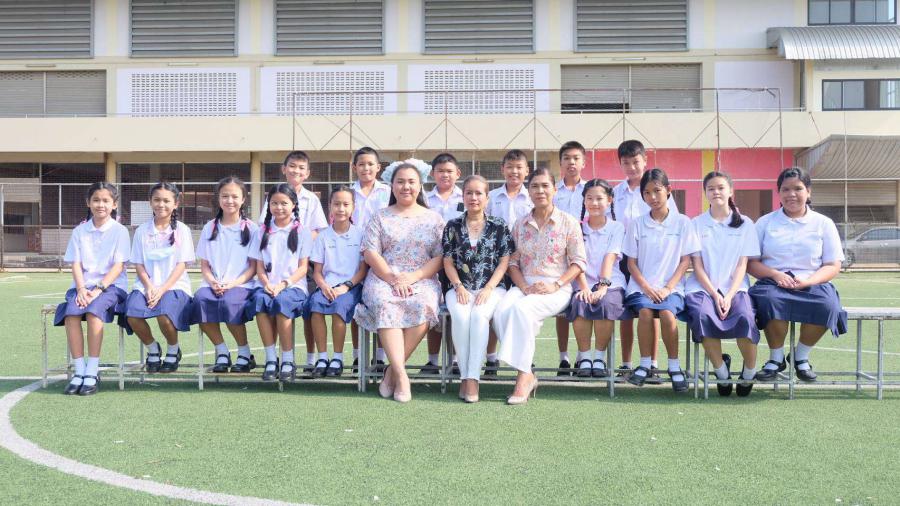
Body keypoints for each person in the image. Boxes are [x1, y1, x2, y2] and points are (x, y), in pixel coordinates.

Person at [493, 168, 587, 405]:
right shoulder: (520, 224)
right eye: (535, 186)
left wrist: (556, 284)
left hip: (557, 286)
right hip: (525, 285)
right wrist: (524, 287)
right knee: (501, 311)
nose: (540, 191)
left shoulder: (568, 222)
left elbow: (578, 262)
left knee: (522, 310)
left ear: (554, 189)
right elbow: (512, 263)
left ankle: (523, 378)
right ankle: (527, 371)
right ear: (529, 191)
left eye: (545, 186)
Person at [355, 161, 444, 403]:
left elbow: (440, 257)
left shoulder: (433, 219)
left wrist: (413, 277)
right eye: (400, 182)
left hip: (421, 278)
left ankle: (391, 372)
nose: (406, 187)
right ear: (392, 186)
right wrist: (392, 278)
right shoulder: (380, 217)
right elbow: (370, 252)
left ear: (420, 185)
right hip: (384, 278)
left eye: (411, 182)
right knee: (386, 304)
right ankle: (402, 376)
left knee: (424, 304)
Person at [748, 167, 847, 382]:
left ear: (808, 191)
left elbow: (832, 264)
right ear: (779, 193)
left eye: (798, 189)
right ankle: (776, 358)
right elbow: (751, 263)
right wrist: (775, 275)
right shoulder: (765, 223)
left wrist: (808, 281)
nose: (791, 194)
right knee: (769, 300)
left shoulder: (823, 223)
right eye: (785, 189)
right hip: (772, 283)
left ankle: (800, 356)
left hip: (812, 282)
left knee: (828, 304)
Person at [623, 168, 700, 392]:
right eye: (647, 193)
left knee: (667, 313)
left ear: (668, 190)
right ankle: (645, 364)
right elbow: (631, 263)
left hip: (671, 288)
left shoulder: (683, 222)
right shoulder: (637, 224)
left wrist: (668, 288)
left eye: (657, 191)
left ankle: (674, 367)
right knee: (646, 313)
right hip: (641, 287)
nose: (652, 197)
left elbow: (685, 261)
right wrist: (647, 288)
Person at [684, 172, 760, 397]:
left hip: (736, 288)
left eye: (720, 188)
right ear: (705, 193)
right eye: (711, 188)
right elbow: (697, 266)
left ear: (730, 191)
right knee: (702, 316)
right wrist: (715, 295)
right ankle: (721, 373)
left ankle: (749, 372)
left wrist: (728, 295)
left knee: (745, 317)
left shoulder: (745, 224)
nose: (716, 192)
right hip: (702, 288)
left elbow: (742, 265)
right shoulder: (696, 224)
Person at [443, 175, 514, 402]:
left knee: (478, 316)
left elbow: (504, 261)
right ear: (463, 196)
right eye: (469, 193)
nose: (473, 197)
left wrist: (489, 288)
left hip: (492, 288)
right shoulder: (452, 226)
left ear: (487, 197)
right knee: (461, 317)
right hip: (459, 287)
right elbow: (447, 261)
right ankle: (465, 377)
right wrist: (458, 286)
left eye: (478, 193)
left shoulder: (498, 226)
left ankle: (472, 379)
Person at [55, 182, 130, 395]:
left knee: (93, 312)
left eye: (106, 200)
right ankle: (79, 370)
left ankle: (92, 370)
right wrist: (80, 289)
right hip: (83, 287)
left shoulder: (120, 231)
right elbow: (76, 264)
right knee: (71, 314)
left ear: (114, 204)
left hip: (111, 287)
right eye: (96, 200)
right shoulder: (79, 231)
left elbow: (119, 266)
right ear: (88, 203)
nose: (100, 205)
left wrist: (98, 289)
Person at [612, 140, 679, 381]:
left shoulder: (658, 188)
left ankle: (652, 363)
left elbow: (671, 225)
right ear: (620, 164)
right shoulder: (615, 193)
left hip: (652, 260)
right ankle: (627, 363)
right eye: (626, 163)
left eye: (636, 162)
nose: (631, 167)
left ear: (645, 160)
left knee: (653, 308)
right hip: (623, 258)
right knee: (628, 312)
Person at [258, 151, 328, 375]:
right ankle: (274, 358)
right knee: (270, 306)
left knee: (308, 312)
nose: (296, 171)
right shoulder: (273, 196)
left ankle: (310, 358)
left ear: (307, 173)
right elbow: (264, 226)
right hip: (277, 264)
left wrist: (298, 241)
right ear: (284, 169)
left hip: (304, 261)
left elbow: (319, 229)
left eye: (301, 167)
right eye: (292, 166)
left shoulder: (311, 199)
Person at [245, 184, 314, 382]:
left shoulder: (302, 232)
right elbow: (259, 266)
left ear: (294, 204)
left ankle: (288, 360)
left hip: (293, 287)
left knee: (282, 303)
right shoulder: (261, 231)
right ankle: (270, 359)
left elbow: (303, 267)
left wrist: (283, 284)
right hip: (266, 286)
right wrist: (266, 283)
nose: (279, 207)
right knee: (260, 303)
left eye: (284, 203)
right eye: (274, 203)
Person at [126, 181, 196, 374]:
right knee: (132, 314)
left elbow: (182, 264)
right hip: (146, 286)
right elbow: (138, 264)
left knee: (164, 315)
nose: (161, 204)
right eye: (157, 200)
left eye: (166, 200)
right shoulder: (142, 231)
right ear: (150, 202)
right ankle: (153, 348)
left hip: (175, 286)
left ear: (176, 204)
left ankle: (173, 349)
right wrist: (149, 287)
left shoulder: (182, 230)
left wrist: (162, 289)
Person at [192, 176, 259, 373]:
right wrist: (213, 282)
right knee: (200, 301)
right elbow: (204, 265)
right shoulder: (210, 227)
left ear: (243, 199)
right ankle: (222, 351)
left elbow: (253, 267)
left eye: (235, 196)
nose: (230, 201)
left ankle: (245, 353)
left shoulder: (252, 228)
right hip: (213, 283)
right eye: (225, 196)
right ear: (218, 198)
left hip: (241, 284)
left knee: (230, 303)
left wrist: (232, 284)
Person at [566, 179, 630, 379]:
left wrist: (603, 287)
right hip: (582, 280)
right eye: (589, 198)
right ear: (584, 201)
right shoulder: (576, 228)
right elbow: (576, 260)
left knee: (606, 302)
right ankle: (585, 358)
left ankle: (599, 358)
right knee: (580, 302)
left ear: (609, 200)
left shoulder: (616, 227)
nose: (594, 203)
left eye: (599, 198)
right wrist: (584, 288)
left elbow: (610, 257)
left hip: (611, 282)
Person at [306, 186, 368, 378]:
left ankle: (337, 358)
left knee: (338, 308)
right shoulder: (323, 236)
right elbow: (317, 272)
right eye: (336, 204)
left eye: (346, 204)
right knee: (315, 306)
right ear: (330, 207)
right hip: (327, 286)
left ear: (353, 207)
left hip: (352, 286)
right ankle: (323, 357)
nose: (341, 208)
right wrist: (324, 287)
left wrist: (346, 286)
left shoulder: (361, 234)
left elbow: (363, 269)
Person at [484, 149, 534, 375]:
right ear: (502, 169)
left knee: (524, 311)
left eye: (519, 167)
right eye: (510, 167)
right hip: (496, 263)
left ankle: (526, 360)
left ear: (527, 170)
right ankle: (491, 357)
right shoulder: (492, 198)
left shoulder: (533, 197)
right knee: (494, 308)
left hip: (526, 263)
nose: (514, 171)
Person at [421, 152, 464, 375]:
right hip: (431, 261)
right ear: (432, 174)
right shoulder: (425, 199)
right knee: (435, 310)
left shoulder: (466, 197)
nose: (445, 175)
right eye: (440, 171)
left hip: (459, 264)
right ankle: (432, 361)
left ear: (458, 173)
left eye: (449, 171)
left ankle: (455, 360)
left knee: (455, 311)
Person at [350, 146, 391, 371]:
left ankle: (380, 357)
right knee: (357, 305)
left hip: (382, 256)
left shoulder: (388, 192)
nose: (366, 168)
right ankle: (358, 356)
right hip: (353, 255)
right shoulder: (348, 193)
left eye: (370, 164)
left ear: (378, 167)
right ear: (354, 167)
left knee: (382, 302)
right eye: (361, 164)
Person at [552, 140, 588, 375]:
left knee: (582, 303)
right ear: (561, 163)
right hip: (558, 256)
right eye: (566, 158)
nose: (571, 162)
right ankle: (563, 357)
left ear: (583, 162)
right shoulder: (554, 191)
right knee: (563, 308)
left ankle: (582, 356)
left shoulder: (591, 189)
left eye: (576, 158)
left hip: (586, 253)